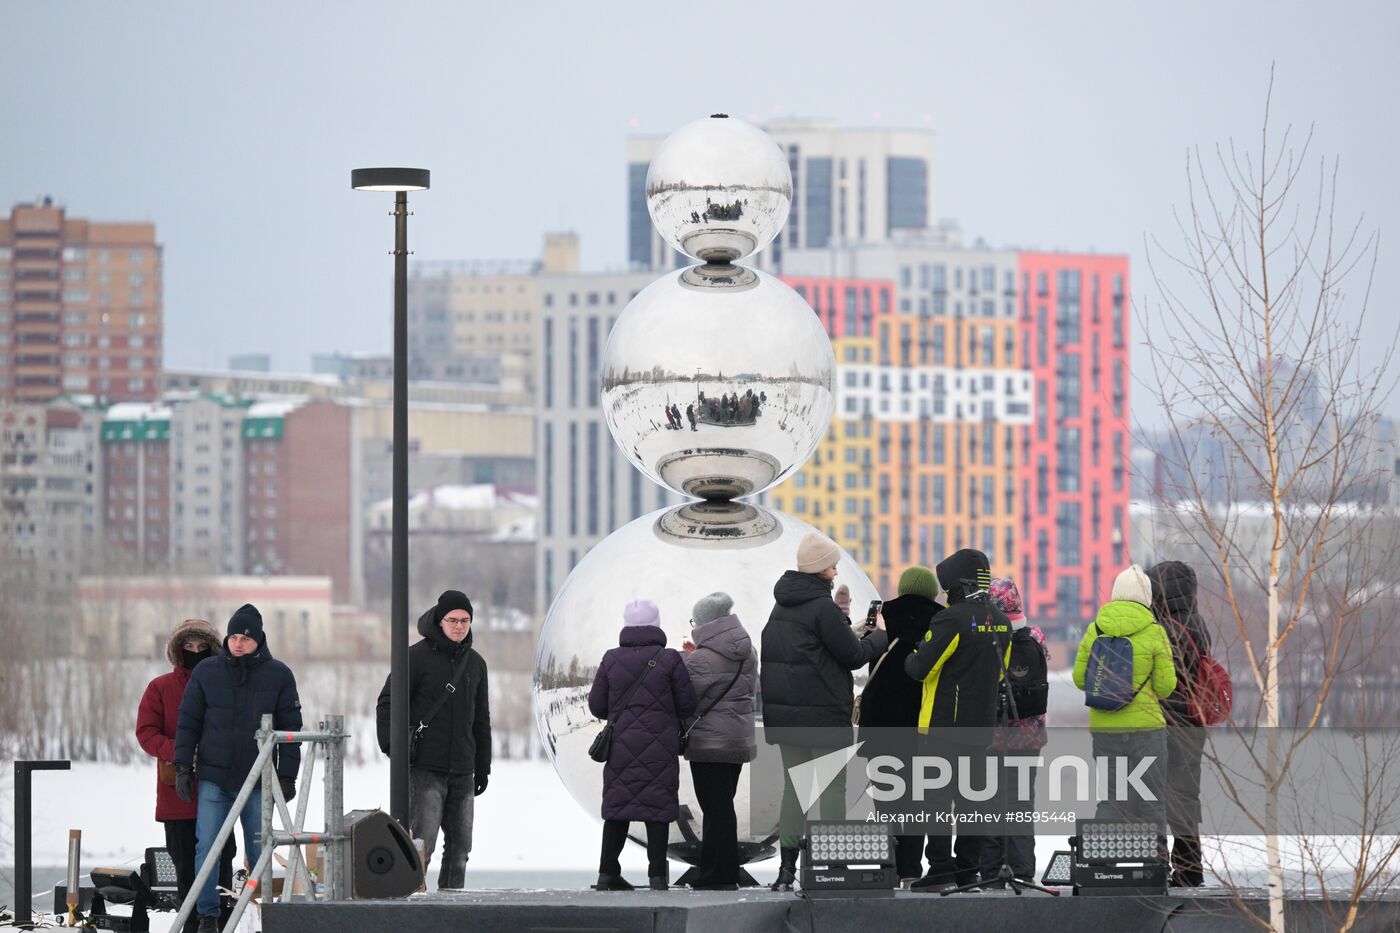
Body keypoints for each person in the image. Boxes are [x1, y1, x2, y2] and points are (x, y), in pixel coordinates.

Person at [761, 532, 888, 891]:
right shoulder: (822, 607)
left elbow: (817, 648)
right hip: (823, 715)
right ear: (820, 570)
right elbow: (854, 656)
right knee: (833, 787)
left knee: (795, 789)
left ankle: (787, 872)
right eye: (832, 564)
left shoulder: (781, 607)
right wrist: (879, 635)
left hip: (787, 719)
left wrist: (854, 629)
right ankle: (831, 866)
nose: (835, 569)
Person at [175, 605, 301, 933]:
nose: (238, 643)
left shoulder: (279, 675)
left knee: (259, 848)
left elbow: (291, 730)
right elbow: (188, 722)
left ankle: (264, 913)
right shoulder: (207, 672)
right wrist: (182, 767)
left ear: (258, 640)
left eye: (245, 637)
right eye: (233, 636)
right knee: (208, 846)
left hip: (258, 778)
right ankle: (208, 916)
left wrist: (288, 775)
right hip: (215, 777)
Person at [904, 549, 1008, 890]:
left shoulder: (952, 620)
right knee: (971, 801)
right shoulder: (1000, 620)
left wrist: (915, 651)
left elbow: (920, 669)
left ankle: (940, 870)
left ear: (957, 587)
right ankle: (968, 872)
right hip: (980, 727)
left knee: (935, 801)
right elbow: (999, 674)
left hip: (941, 727)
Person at [375, 590, 491, 890]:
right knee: (419, 848)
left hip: (463, 770)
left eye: (465, 620)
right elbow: (387, 702)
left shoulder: (476, 664)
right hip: (425, 767)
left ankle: (450, 912)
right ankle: (412, 909)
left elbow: (481, 720)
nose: (459, 626)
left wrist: (483, 767)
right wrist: (392, 747)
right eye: (453, 620)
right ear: (440, 621)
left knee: (460, 851)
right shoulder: (416, 657)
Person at [588, 599, 697, 891]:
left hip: (620, 747)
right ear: (656, 625)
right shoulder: (670, 659)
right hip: (659, 747)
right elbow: (687, 705)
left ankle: (607, 873)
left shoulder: (611, 658)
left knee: (617, 808)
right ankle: (658, 876)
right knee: (657, 809)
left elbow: (597, 706)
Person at [135, 620, 235, 933]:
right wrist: (180, 751)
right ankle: (191, 927)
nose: (195, 651)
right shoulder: (160, 687)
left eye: (202, 646)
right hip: (178, 795)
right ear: (177, 650)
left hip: (220, 789)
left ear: (213, 649)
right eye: (188, 646)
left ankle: (222, 926)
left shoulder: (226, 684)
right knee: (186, 871)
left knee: (222, 866)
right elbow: (146, 733)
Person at [1073, 565, 1177, 829]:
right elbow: (1165, 687)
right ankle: (1154, 865)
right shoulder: (1155, 632)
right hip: (1148, 731)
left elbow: (1079, 679)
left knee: (1110, 800)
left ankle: (1103, 863)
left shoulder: (1095, 629)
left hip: (1106, 729)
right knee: (1151, 799)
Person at [855, 566, 941, 883]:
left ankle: (887, 866)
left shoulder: (881, 613)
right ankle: (910, 868)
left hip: (881, 723)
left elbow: (863, 653)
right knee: (917, 798)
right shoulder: (942, 619)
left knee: (886, 798)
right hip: (921, 723)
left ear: (903, 588)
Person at [680, 592, 757, 890]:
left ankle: (717, 875)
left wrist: (690, 659)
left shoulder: (701, 659)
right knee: (723, 806)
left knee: (715, 810)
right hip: (737, 741)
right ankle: (723, 871)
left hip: (709, 744)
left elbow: (686, 701)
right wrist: (696, 654)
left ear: (706, 623)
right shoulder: (749, 651)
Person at [978, 578, 1049, 886]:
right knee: (1021, 802)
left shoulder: (985, 639)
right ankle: (1021, 869)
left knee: (992, 801)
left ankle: (992, 871)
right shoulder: (1035, 635)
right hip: (1028, 734)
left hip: (993, 734)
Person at [1147, 561, 1212, 887]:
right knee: (1186, 796)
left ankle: (1154, 866)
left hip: (1165, 720)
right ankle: (1189, 867)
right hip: (1193, 721)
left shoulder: (1162, 630)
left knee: (1152, 794)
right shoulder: (1198, 624)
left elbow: (1160, 680)